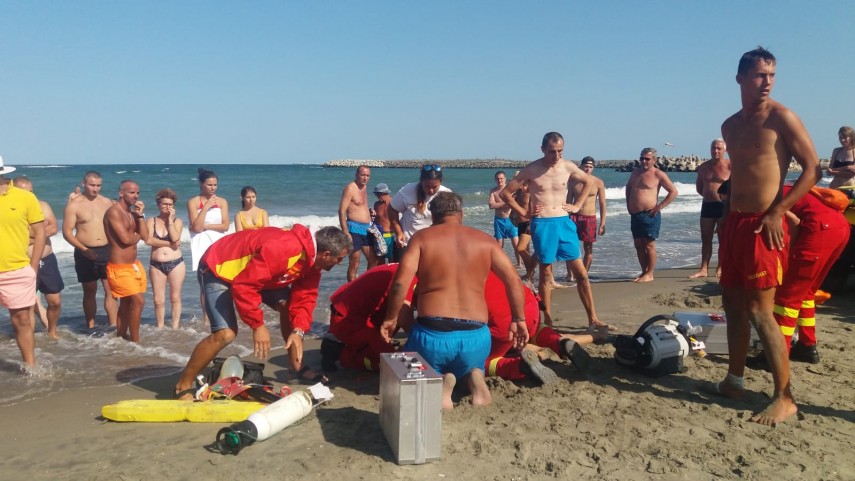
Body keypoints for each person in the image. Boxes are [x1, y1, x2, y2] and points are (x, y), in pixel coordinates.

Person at [715, 47, 822, 426]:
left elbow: (813, 169)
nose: (767, 82)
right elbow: (740, 176)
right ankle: (734, 381)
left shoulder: (782, 117)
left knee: (761, 311)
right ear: (740, 78)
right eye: (760, 75)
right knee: (732, 305)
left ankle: (784, 397)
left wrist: (779, 210)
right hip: (735, 225)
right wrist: (725, 221)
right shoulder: (729, 126)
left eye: (772, 75)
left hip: (764, 225)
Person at [381, 192, 528, 410]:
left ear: (433, 215)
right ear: (461, 214)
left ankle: (440, 381)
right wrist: (518, 319)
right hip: (477, 338)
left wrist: (390, 318)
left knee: (410, 363)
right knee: (469, 365)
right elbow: (514, 280)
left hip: (433, 336)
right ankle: (473, 376)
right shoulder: (486, 241)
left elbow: (400, 284)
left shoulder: (421, 239)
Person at [173, 225, 351, 400]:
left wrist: (298, 331)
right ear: (326, 254)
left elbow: (305, 298)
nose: (340, 263)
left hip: (253, 273)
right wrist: (257, 325)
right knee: (225, 334)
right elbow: (244, 286)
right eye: (339, 259)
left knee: (289, 308)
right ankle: (183, 385)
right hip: (218, 267)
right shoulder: (284, 249)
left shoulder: (314, 261)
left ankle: (296, 367)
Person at [501, 132, 610, 330]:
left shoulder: (567, 166)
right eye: (552, 151)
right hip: (543, 224)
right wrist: (524, 212)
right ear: (543, 149)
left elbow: (589, 182)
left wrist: (577, 205)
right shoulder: (532, 169)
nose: (557, 155)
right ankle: (548, 321)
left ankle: (593, 318)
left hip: (564, 222)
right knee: (545, 274)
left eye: (560, 151)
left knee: (581, 274)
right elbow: (506, 193)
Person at [772, 185, 850, 364]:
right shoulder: (782, 188)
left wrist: (790, 258)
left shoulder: (762, 195)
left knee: (787, 297)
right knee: (807, 293)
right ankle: (807, 346)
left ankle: (776, 356)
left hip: (820, 229)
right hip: (840, 227)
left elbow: (793, 222)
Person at [484, 271, 603, 384]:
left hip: (503, 321)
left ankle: (518, 366)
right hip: (529, 303)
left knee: (480, 363)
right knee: (535, 330)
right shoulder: (491, 259)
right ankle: (559, 342)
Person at [320, 263, 417, 372]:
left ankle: (366, 345)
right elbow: (404, 316)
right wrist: (419, 343)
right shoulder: (409, 276)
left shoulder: (407, 267)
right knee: (394, 364)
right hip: (348, 318)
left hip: (363, 313)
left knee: (395, 355)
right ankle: (338, 352)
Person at [0, 158, 45, 368]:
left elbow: (40, 232)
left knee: (23, 320)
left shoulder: (25, 197)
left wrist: (33, 267)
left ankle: (30, 368)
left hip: (16, 270)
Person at [62, 171, 118, 328]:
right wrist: (84, 249)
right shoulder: (74, 205)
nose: (95, 189)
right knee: (89, 290)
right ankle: (90, 326)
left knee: (111, 290)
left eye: (99, 185)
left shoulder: (107, 202)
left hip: (107, 250)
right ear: (83, 184)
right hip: (84, 252)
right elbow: (67, 232)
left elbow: (116, 224)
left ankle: (113, 326)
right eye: (92, 185)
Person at [13, 177, 63, 339]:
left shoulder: (42, 205)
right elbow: (11, 236)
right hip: (24, 263)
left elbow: (53, 228)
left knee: (55, 301)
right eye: (25, 192)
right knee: (26, 306)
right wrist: (39, 232)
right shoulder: (11, 210)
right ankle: (31, 339)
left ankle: (52, 332)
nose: (30, 196)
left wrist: (29, 234)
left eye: (31, 192)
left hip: (47, 260)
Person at [104, 180, 149, 343]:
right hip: (119, 267)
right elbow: (126, 239)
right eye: (131, 192)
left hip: (133, 265)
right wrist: (137, 235)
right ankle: (136, 342)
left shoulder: (132, 213)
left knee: (126, 303)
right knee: (139, 301)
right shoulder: (113, 212)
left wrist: (140, 216)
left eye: (137, 193)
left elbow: (145, 236)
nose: (135, 196)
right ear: (121, 193)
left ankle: (121, 338)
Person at [624, 147, 679, 283]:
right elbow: (629, 187)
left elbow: (673, 191)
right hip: (635, 215)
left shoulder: (658, 174)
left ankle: (650, 273)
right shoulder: (636, 172)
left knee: (649, 245)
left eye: (647, 159)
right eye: (641, 158)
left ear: (654, 160)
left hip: (650, 214)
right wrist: (628, 204)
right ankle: (644, 272)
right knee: (638, 244)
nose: (643, 161)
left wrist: (660, 206)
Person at [689, 139, 731, 279]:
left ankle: (721, 267)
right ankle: (703, 269)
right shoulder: (704, 167)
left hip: (723, 206)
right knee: (706, 238)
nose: (716, 151)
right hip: (707, 205)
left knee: (723, 239)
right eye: (713, 148)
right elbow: (699, 188)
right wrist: (710, 196)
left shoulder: (730, 166)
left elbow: (738, 187)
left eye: (719, 148)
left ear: (725, 150)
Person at [388, 164, 452, 255]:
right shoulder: (408, 190)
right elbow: (392, 210)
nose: (431, 190)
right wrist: (399, 233)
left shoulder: (446, 194)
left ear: (440, 182)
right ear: (421, 181)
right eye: (427, 186)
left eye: (435, 187)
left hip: (434, 245)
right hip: (407, 244)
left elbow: (453, 219)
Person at [145, 189, 185, 329]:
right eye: (164, 204)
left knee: (175, 297)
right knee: (158, 300)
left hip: (176, 264)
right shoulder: (151, 221)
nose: (167, 207)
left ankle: (175, 327)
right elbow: (149, 240)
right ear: (158, 205)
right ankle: (160, 328)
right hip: (156, 265)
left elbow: (175, 238)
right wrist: (169, 244)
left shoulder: (177, 221)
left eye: (170, 204)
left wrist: (170, 221)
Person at [566, 157, 606, 282]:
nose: (588, 169)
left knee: (588, 248)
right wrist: (565, 218)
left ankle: (584, 274)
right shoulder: (573, 181)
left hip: (590, 218)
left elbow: (602, 204)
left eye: (590, 167)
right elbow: (568, 201)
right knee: (570, 246)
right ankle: (570, 274)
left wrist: (602, 223)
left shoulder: (598, 182)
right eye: (586, 166)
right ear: (581, 166)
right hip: (574, 217)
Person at [339, 165, 378, 281]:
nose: (365, 178)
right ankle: (351, 287)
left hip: (366, 228)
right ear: (356, 175)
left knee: (373, 259)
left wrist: (369, 212)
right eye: (363, 175)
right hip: (353, 228)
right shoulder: (350, 188)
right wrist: (345, 231)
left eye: (367, 176)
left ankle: (365, 284)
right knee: (354, 262)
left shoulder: (364, 187)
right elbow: (341, 211)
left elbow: (360, 205)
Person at [187, 168, 229, 271]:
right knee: (204, 272)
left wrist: (206, 226)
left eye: (215, 185)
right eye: (209, 185)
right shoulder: (193, 202)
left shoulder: (222, 202)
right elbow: (197, 228)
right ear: (201, 184)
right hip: (201, 243)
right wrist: (206, 207)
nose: (212, 188)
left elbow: (225, 226)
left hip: (219, 242)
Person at [488, 171, 520, 266]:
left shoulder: (510, 190)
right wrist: (506, 202)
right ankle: (500, 265)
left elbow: (514, 203)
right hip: (499, 221)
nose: (500, 180)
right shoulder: (493, 191)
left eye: (501, 178)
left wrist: (498, 204)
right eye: (498, 179)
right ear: (495, 179)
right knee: (499, 246)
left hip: (511, 220)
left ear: (505, 179)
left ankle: (520, 265)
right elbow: (491, 206)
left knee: (516, 246)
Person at [509, 178, 537, 283]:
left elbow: (534, 209)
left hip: (529, 223)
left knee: (521, 248)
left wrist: (531, 223)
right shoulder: (517, 193)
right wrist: (512, 217)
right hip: (520, 224)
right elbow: (514, 208)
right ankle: (530, 273)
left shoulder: (530, 192)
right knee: (525, 250)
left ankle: (532, 271)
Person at [372, 183, 395, 264]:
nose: (378, 196)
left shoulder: (394, 203)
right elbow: (375, 220)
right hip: (379, 235)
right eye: (377, 194)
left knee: (391, 260)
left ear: (386, 193)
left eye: (380, 194)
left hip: (391, 235)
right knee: (380, 260)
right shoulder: (377, 204)